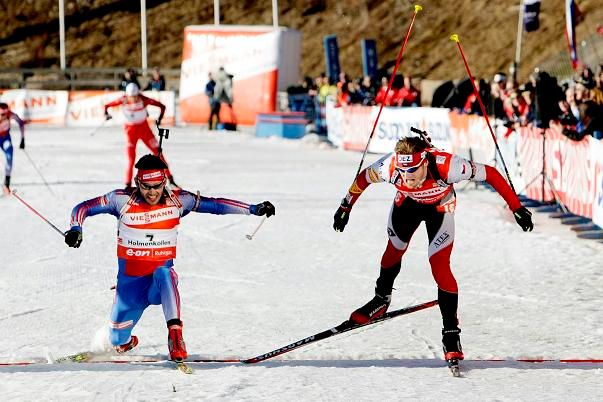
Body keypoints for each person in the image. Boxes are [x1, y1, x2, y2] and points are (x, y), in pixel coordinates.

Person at [333, 135, 533, 364]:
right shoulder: (388, 167)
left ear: (425, 162)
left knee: (439, 264)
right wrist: (345, 207)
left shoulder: (448, 165)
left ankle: (451, 333)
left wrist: (517, 207)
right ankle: (381, 299)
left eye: (414, 170)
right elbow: (363, 179)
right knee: (393, 250)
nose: (408, 176)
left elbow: (491, 174)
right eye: (403, 170)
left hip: (439, 208)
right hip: (407, 206)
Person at [64, 154, 276, 361]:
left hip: (159, 284)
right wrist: (76, 228)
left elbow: (216, 205)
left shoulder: (178, 200)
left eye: (157, 186)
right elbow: (82, 208)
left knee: (165, 273)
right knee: (116, 339)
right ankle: (125, 342)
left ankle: (175, 337)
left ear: (164, 181)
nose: (152, 192)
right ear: (138, 182)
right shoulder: (120, 200)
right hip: (131, 287)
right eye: (146, 187)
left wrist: (253, 209)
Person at [104, 83, 176, 188]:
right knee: (131, 159)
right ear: (127, 95)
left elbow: (162, 106)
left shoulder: (143, 99)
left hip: (144, 130)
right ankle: (127, 185)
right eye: (131, 97)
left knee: (158, 153)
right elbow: (106, 106)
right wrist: (106, 114)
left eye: (135, 96)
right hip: (131, 132)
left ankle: (171, 180)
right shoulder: (122, 99)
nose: (133, 99)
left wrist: (160, 118)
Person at [0, 102, 25, 193]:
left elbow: (21, 123)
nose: (3, 117)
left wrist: (22, 139)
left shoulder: (10, 115)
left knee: (9, 158)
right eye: (2, 114)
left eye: (5, 114)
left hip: (5, 138)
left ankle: (7, 184)